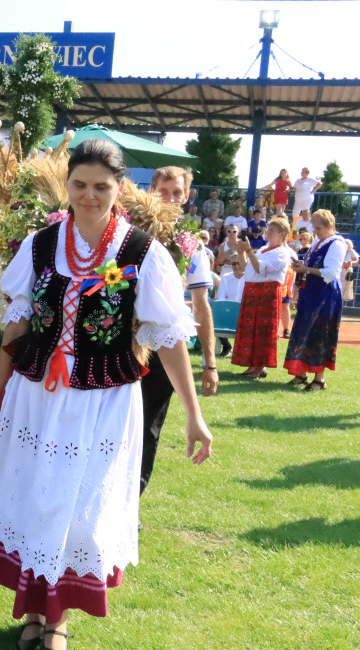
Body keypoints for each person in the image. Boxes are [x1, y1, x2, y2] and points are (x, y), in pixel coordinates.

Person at [0, 142, 211, 650]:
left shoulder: (143, 253)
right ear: (68, 185)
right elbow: (18, 324)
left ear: (119, 189)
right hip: (37, 397)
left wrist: (194, 413)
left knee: (77, 506)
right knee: (35, 497)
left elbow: (168, 338)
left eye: (102, 186)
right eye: (80, 184)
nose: (90, 195)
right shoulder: (40, 244)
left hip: (100, 402)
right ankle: (34, 612)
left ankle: (57, 621)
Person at [138, 165, 218, 498]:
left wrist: (210, 362)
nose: (170, 198)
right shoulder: (129, 232)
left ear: (186, 197)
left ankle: (130, 504)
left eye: (177, 192)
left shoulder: (192, 246)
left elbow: (201, 305)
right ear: (151, 191)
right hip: (115, 343)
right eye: (164, 190)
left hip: (163, 346)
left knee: (148, 427)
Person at [284, 210, 346, 390]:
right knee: (304, 330)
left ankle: (319, 379)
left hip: (325, 295)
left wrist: (307, 269)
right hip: (310, 292)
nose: (315, 231)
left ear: (330, 227)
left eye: (318, 228)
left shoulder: (336, 244)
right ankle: (301, 373)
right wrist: (301, 266)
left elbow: (332, 272)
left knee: (320, 333)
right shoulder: (318, 242)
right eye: (314, 227)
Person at [230, 218, 295, 380]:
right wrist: (242, 251)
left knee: (263, 330)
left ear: (283, 234)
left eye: (273, 231)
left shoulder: (282, 252)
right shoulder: (265, 249)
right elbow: (247, 267)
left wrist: (249, 251)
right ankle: (253, 365)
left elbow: (259, 268)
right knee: (251, 329)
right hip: (253, 291)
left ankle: (260, 365)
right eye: (269, 230)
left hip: (267, 293)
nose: (269, 233)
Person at [341, 239, 359, 303]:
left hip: (348, 269)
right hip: (340, 269)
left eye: (348, 244)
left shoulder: (351, 251)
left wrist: (351, 263)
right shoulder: (340, 250)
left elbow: (356, 261)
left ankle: (345, 297)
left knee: (347, 283)